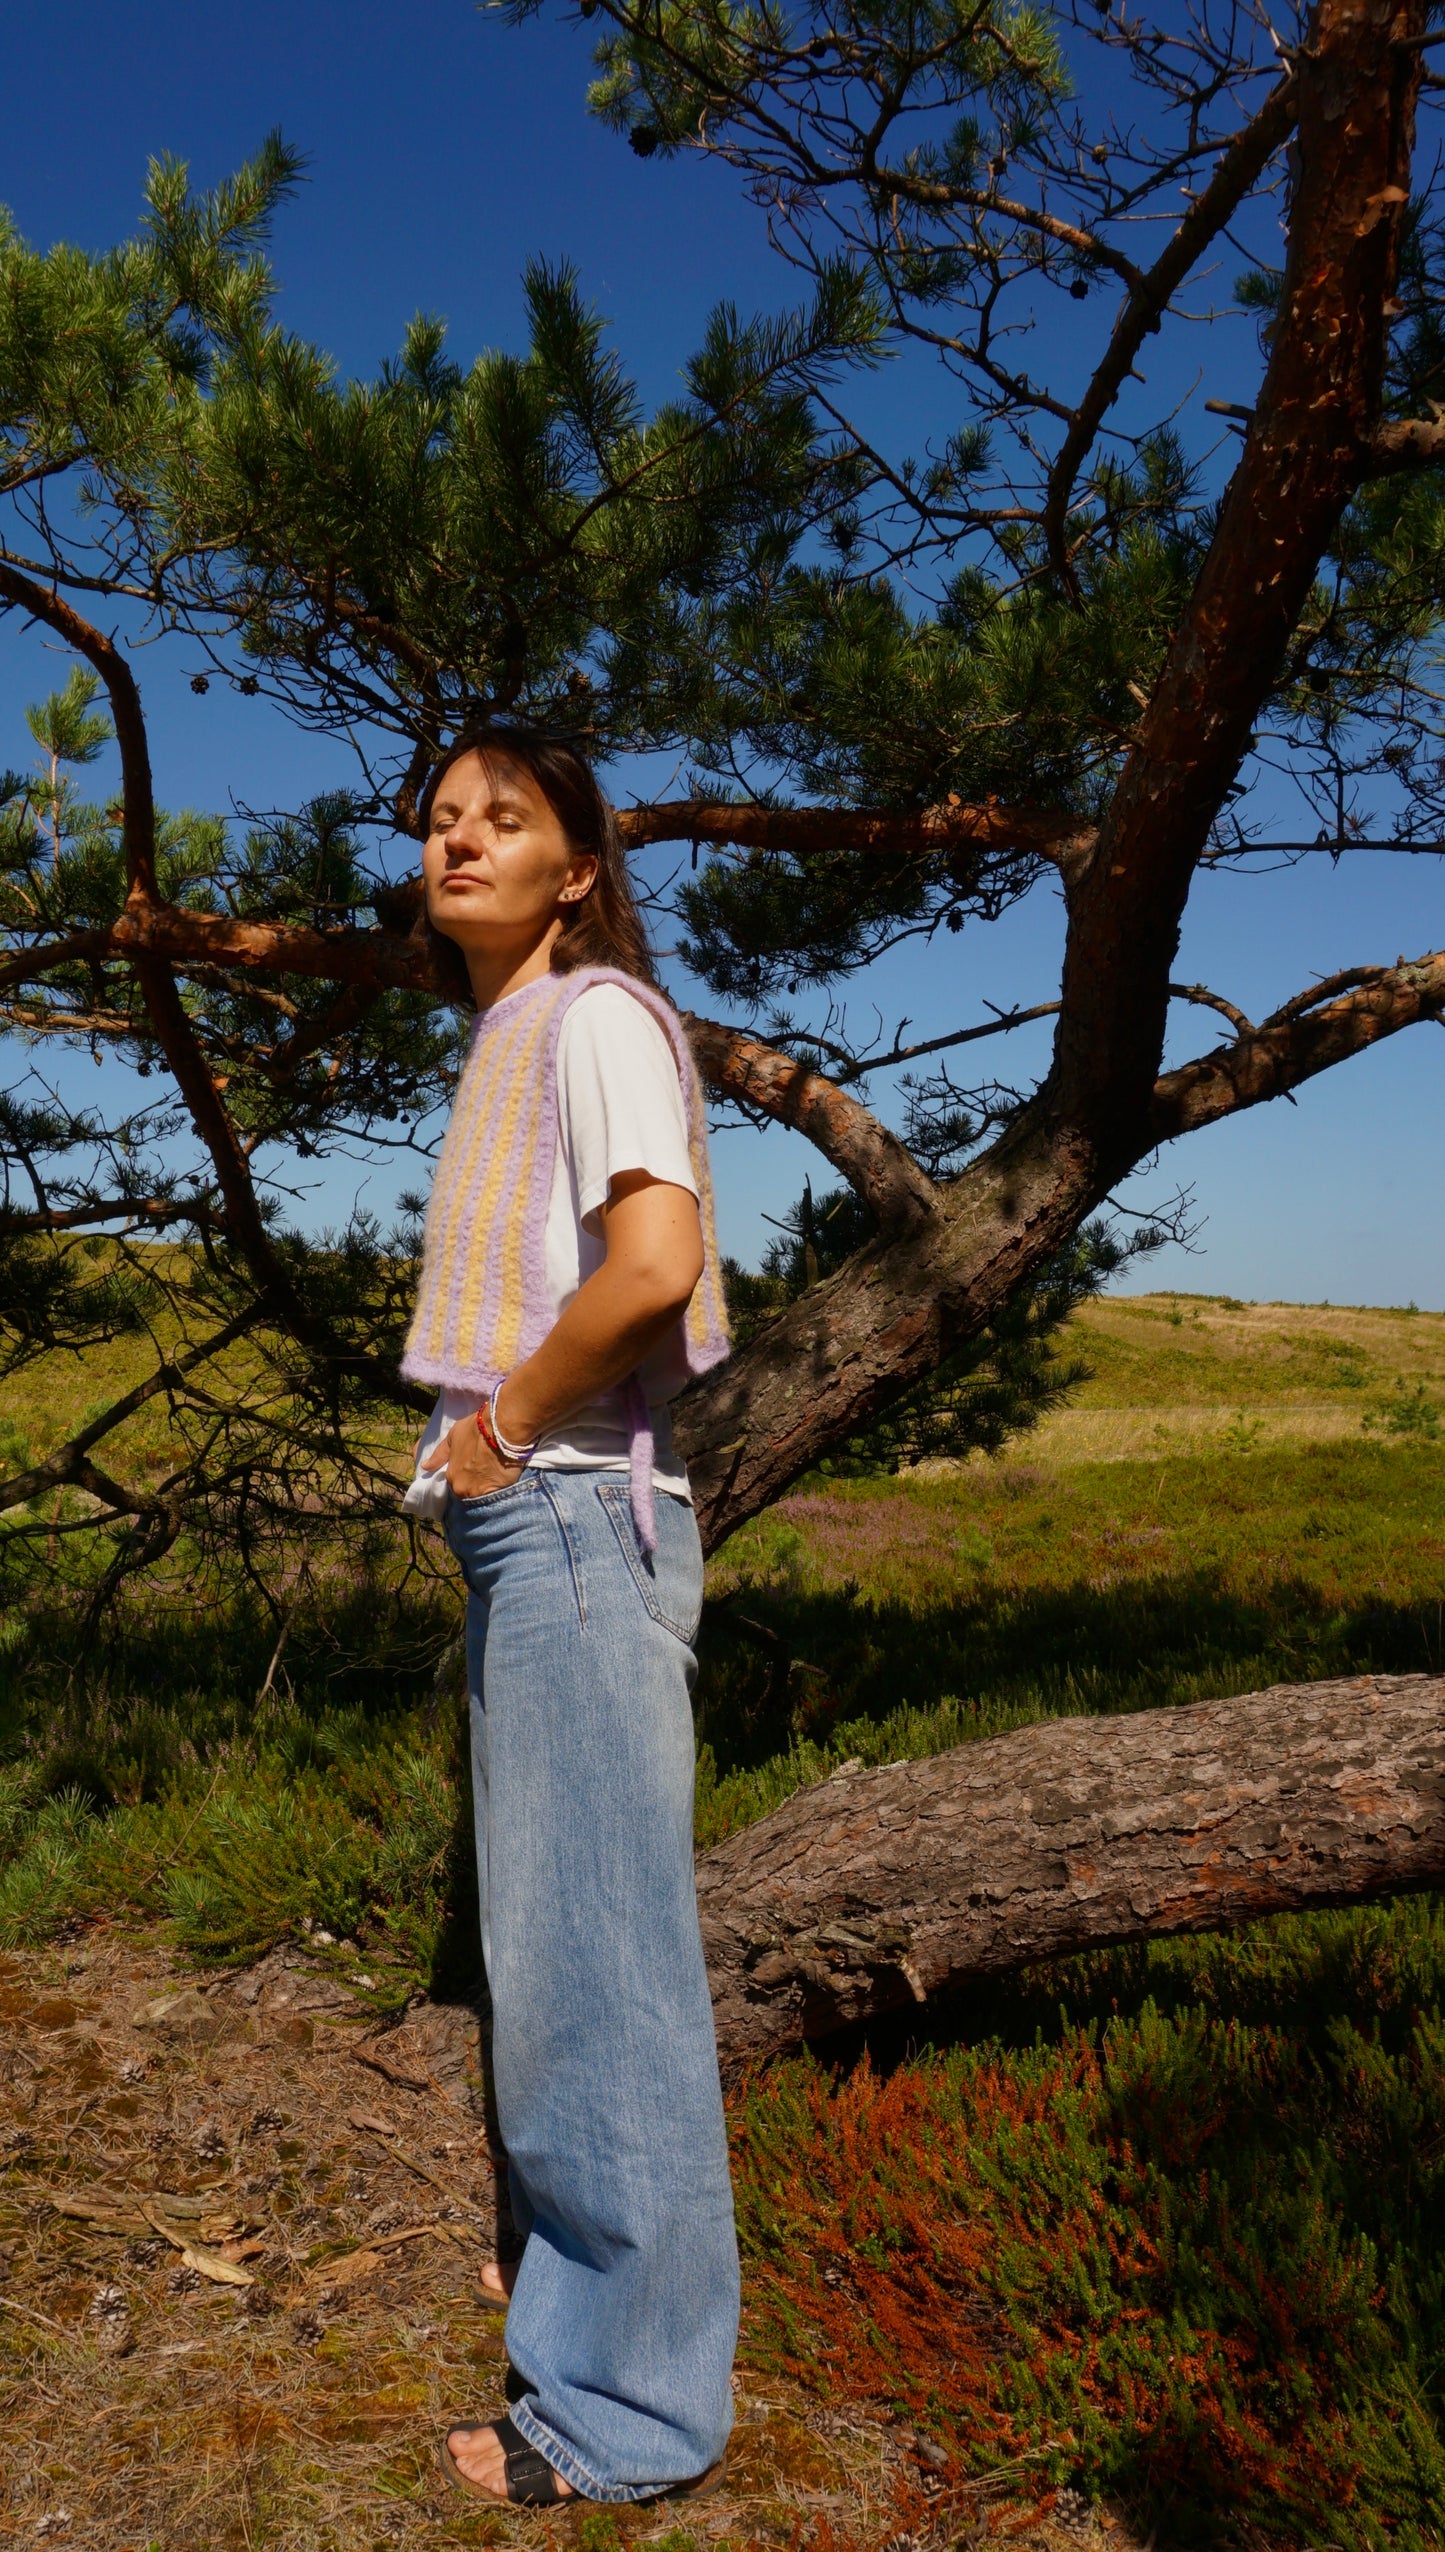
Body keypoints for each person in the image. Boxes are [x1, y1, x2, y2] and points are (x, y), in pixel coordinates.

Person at [398, 723, 739, 2509]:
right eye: (440, 820)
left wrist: (502, 1430)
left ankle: (627, 2418)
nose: (460, 841)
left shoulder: (596, 1019)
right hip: (535, 1527)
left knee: (601, 1980)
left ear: (579, 868)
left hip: (570, 1515)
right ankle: (575, 2301)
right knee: (549, 1962)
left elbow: (654, 1267)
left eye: (503, 819)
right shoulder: (514, 1036)